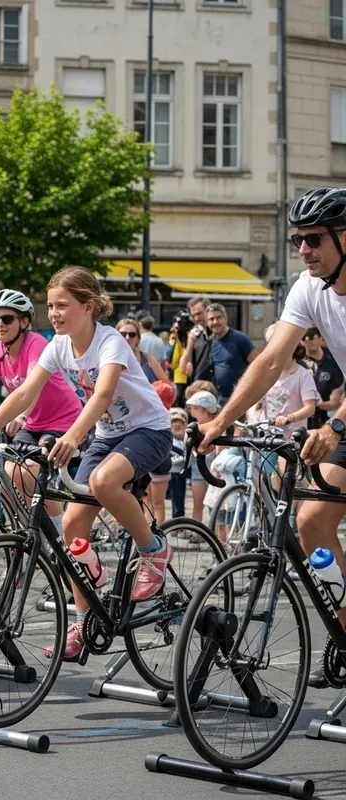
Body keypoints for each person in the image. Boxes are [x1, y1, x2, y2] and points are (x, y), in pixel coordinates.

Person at [0, 266, 173, 659]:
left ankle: (154, 548)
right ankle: (83, 619)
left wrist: (72, 437)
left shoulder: (109, 342)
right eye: (51, 306)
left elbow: (103, 394)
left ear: (88, 307)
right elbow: (23, 394)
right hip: (108, 435)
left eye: (62, 305)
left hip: (149, 430)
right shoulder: (59, 345)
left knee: (104, 482)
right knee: (73, 526)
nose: (54, 313)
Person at [197, 186, 346, 688]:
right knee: (312, 520)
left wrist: (335, 425)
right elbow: (269, 361)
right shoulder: (308, 287)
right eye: (298, 239)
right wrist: (222, 420)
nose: (303, 249)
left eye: (314, 239)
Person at [0, 289, 82, 535]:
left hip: (63, 420)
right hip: (34, 424)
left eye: (7, 318)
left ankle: (60, 534)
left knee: (31, 471)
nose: (0, 324)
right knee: (11, 474)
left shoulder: (36, 343)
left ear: (24, 322)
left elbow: (31, 389)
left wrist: (21, 416)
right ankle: (26, 535)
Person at [116, 317, 172, 524]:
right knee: (119, 484)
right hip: (122, 426)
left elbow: (167, 384)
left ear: (138, 338)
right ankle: (126, 526)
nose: (127, 338)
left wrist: (156, 393)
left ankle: (155, 528)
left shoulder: (147, 359)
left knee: (150, 486)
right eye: (122, 334)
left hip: (148, 425)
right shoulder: (109, 358)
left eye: (132, 334)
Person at [205, 304, 258, 405]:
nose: (215, 322)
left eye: (219, 317)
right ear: (207, 322)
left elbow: (258, 364)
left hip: (242, 398)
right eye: (211, 319)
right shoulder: (211, 342)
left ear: (225, 318)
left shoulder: (239, 338)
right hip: (221, 400)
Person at [185, 385, 219, 523]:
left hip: (215, 470)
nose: (190, 409)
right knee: (197, 505)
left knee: (215, 506)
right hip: (197, 469)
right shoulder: (194, 427)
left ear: (202, 409)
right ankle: (197, 531)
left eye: (193, 407)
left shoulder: (217, 426)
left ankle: (215, 531)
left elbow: (221, 449)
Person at [303, 327, 344, 429]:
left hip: (325, 421)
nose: (307, 340)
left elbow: (334, 403)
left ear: (321, 339)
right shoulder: (298, 366)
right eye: (303, 338)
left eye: (311, 337)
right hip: (302, 421)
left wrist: (314, 404)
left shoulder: (333, 363)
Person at [168, 408, 188, 519]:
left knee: (179, 499)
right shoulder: (167, 438)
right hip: (167, 471)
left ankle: (178, 520)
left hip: (180, 471)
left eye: (179, 423)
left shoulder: (186, 438)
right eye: (173, 422)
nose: (176, 425)